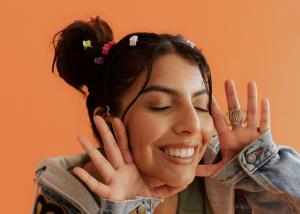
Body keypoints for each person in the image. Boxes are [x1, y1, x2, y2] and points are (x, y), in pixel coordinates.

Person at [32, 16, 300, 214]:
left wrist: (260, 170)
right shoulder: (63, 199)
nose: (192, 125)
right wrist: (128, 208)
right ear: (107, 121)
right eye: (161, 105)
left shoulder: (221, 173)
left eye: (200, 106)